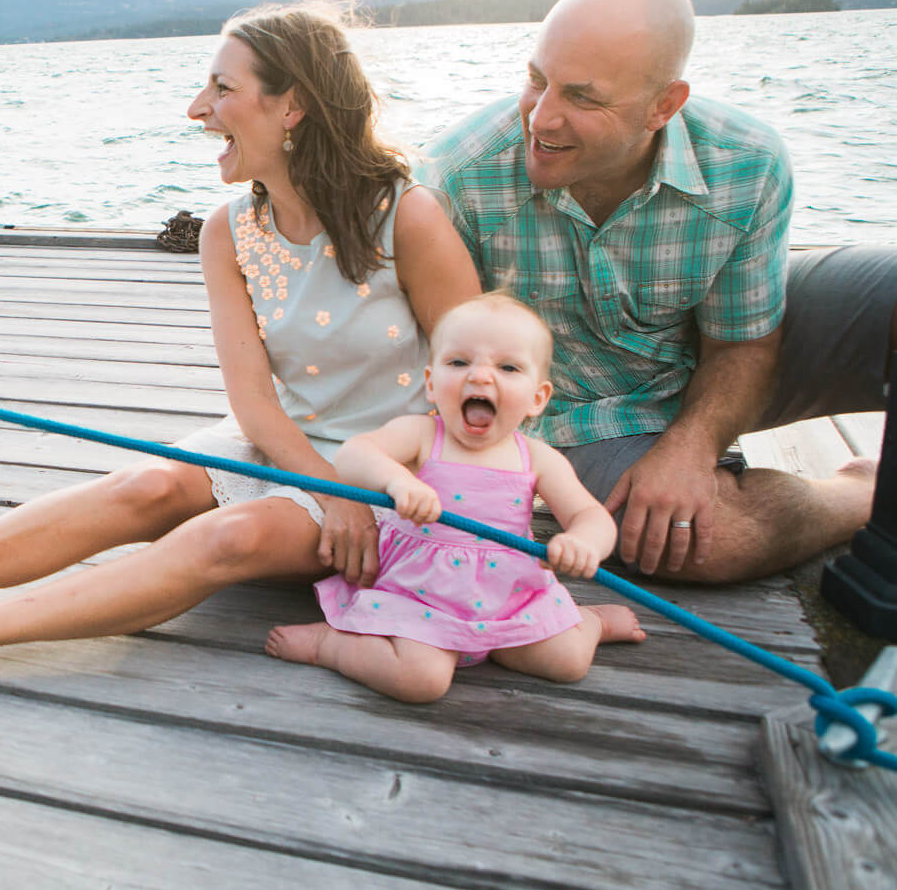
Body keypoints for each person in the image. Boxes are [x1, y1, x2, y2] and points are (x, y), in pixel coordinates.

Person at [0, 1, 481, 704]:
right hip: (290, 444)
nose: (199, 109)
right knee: (150, 485)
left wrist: (359, 493)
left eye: (223, 89)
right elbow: (252, 401)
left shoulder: (408, 216)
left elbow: (480, 385)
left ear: (294, 107)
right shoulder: (229, 232)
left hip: (398, 477)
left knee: (228, 538)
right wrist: (318, 481)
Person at [425, 0, 896, 584]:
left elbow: (745, 341)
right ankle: (862, 493)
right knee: (704, 545)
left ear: (664, 106)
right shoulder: (459, 177)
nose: (541, 119)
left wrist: (691, 447)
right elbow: (453, 375)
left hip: (727, 350)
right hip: (591, 407)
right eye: (536, 81)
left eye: (582, 98)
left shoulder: (747, 162)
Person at [264, 293, 643, 702]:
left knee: (566, 662)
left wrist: (584, 542)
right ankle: (333, 645)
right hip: (419, 594)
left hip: (509, 597)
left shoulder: (535, 457)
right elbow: (354, 455)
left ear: (538, 398)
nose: (479, 377)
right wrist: (398, 481)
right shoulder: (423, 435)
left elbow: (591, 514)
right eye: (459, 362)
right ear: (430, 382)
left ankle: (589, 623)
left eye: (508, 367)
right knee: (420, 681)